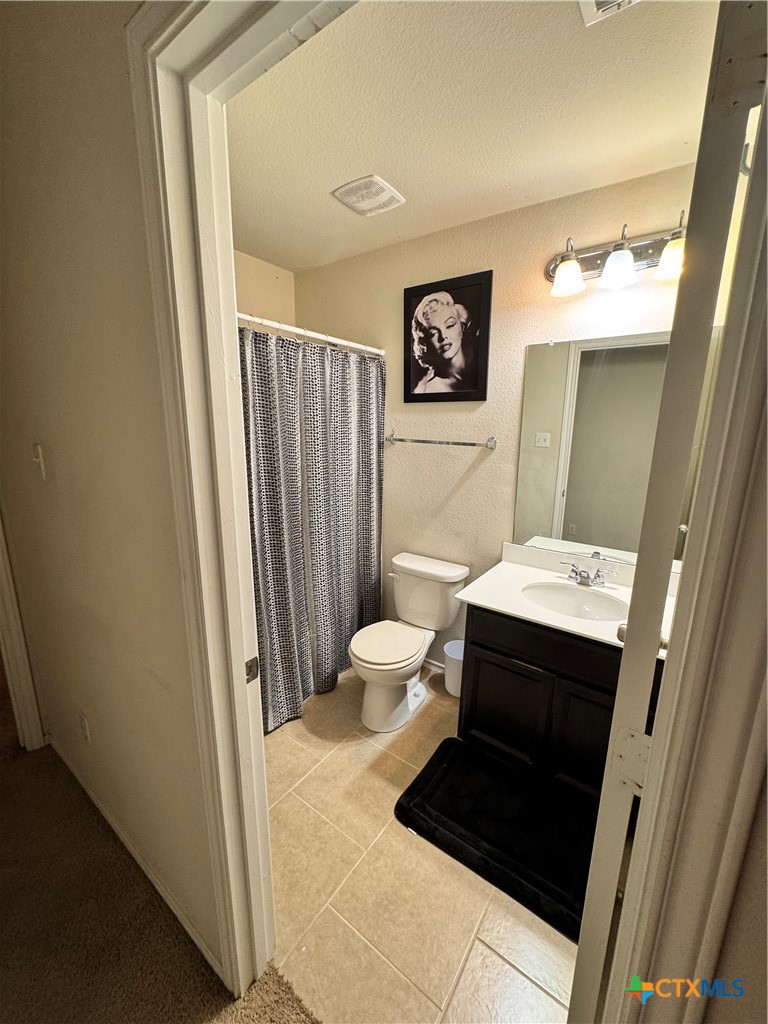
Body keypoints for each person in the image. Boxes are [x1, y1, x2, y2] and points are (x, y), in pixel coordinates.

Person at [411, 290, 477, 393]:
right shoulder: (426, 390)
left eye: (450, 325)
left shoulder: (479, 364)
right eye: (433, 333)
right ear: (425, 343)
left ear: (462, 327)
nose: (443, 336)